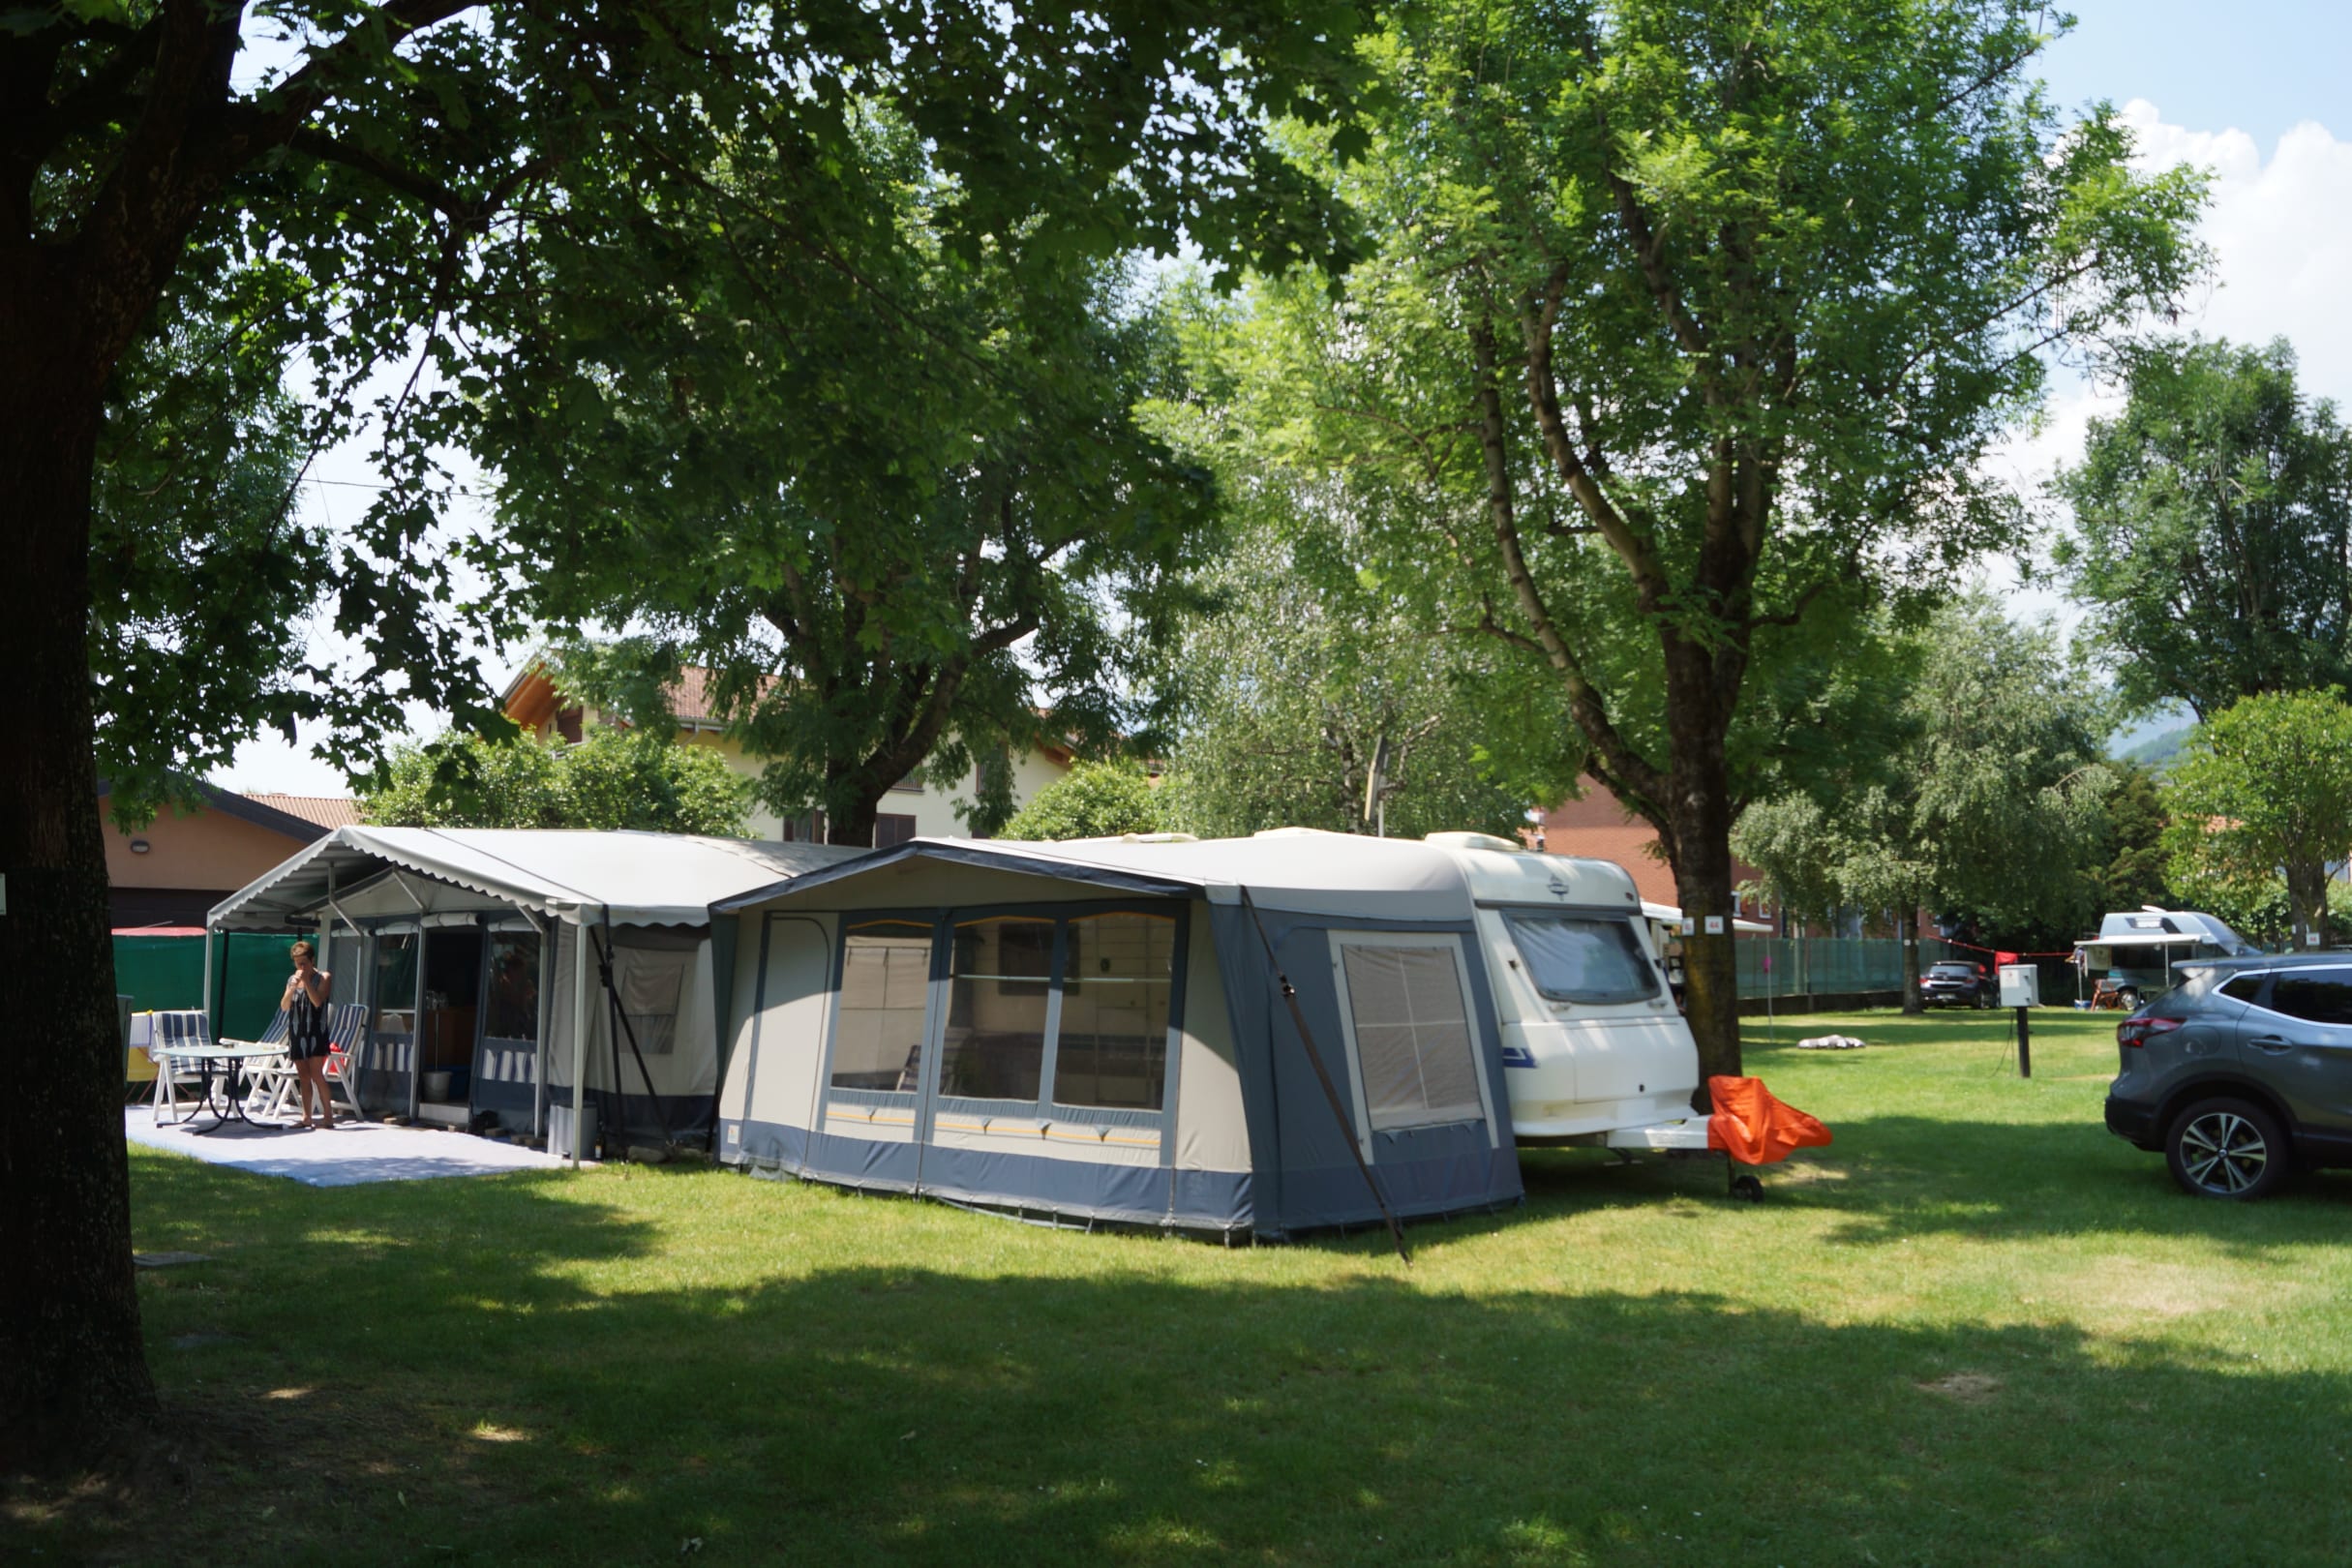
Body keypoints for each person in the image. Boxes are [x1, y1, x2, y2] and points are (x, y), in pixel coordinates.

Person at [282, 940, 339, 1130]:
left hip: (316, 1031)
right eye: (297, 963)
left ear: (312, 960)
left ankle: (328, 1117)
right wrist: (292, 988)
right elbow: (284, 1006)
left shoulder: (323, 977)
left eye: (304, 963)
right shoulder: (292, 979)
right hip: (297, 1031)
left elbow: (317, 1002)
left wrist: (306, 980)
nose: (301, 967)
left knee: (316, 1074)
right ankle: (306, 1117)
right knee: (303, 1076)